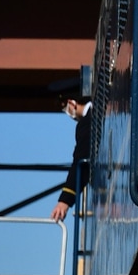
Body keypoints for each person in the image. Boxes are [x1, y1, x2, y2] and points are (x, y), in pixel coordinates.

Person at [51, 94, 92, 225]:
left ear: (72, 103)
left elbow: (81, 160)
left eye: (65, 108)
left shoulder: (87, 122)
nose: (67, 113)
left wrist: (65, 200)